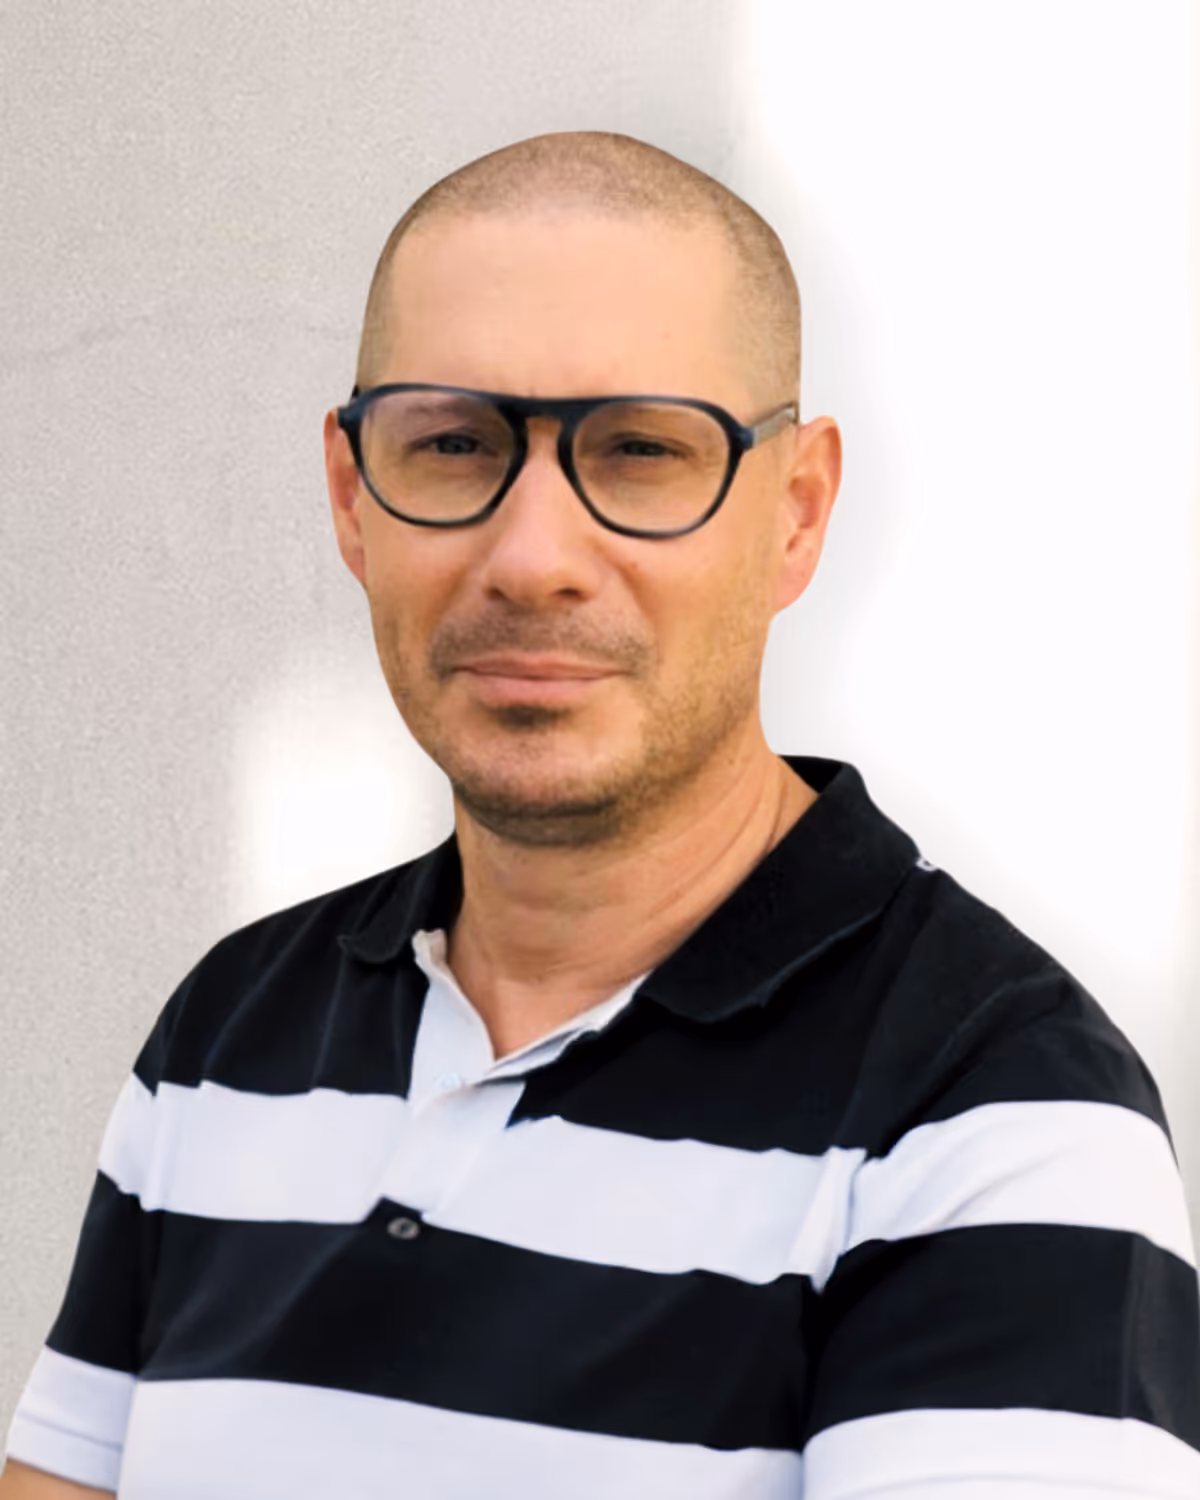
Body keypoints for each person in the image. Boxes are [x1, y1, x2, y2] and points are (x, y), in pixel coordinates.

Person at [2, 129, 1197, 1500]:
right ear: (350, 496)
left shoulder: (997, 1116)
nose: (533, 558)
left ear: (795, 514)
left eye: (638, 451)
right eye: (452, 445)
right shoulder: (230, 1031)